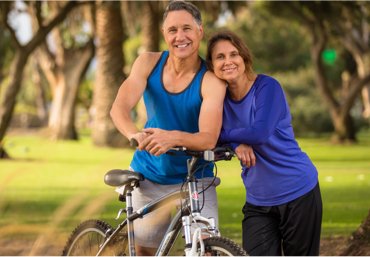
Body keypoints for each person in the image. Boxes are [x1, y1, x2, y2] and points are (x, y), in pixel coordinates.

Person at [110, 1, 226, 255]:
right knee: (144, 253)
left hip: (197, 178)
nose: (180, 36)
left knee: (206, 250)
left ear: (200, 31)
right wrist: (134, 133)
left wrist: (171, 138)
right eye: (172, 30)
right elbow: (119, 107)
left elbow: (208, 139)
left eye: (187, 28)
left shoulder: (211, 79)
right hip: (150, 175)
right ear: (164, 33)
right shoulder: (147, 63)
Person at [206, 30, 323, 256]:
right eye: (220, 57)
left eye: (234, 54)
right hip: (258, 201)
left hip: (298, 191)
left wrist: (230, 137)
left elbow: (259, 132)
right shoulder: (217, 100)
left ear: (244, 58)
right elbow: (207, 133)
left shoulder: (267, 87)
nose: (228, 61)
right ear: (211, 65)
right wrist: (236, 144)